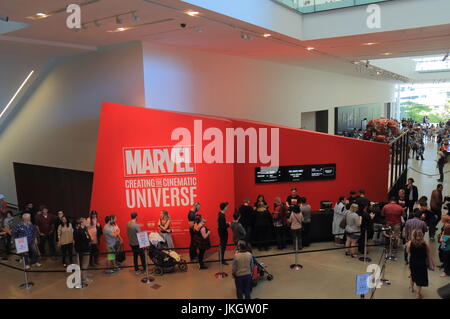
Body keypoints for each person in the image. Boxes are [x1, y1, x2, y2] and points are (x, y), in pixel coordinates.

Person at [406, 229, 434, 299]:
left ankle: (411, 287)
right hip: (422, 263)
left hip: (413, 262)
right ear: (422, 235)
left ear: (413, 235)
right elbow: (428, 253)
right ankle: (418, 293)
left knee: (413, 274)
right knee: (420, 278)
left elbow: (408, 251)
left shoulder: (410, 243)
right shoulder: (425, 243)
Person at [73, 218, 92, 287]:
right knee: (84, 265)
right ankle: (83, 279)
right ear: (81, 223)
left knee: (85, 265)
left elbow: (89, 238)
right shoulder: (80, 231)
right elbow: (86, 239)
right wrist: (89, 240)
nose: (86, 222)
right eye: (85, 221)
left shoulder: (84, 230)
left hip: (85, 249)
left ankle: (84, 277)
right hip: (83, 250)